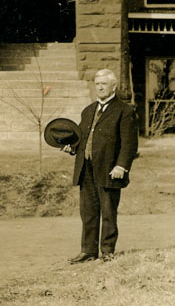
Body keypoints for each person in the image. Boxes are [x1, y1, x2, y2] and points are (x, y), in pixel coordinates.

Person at [63, 68, 138, 262]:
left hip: (110, 169)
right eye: (97, 84)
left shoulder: (124, 111)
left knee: (108, 211)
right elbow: (81, 139)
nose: (100, 87)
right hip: (85, 169)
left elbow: (129, 144)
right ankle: (88, 251)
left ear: (114, 86)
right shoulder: (88, 111)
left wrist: (121, 166)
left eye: (104, 83)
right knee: (88, 211)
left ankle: (107, 252)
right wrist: (72, 148)